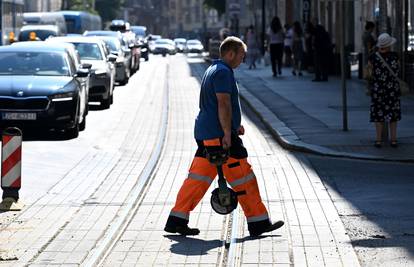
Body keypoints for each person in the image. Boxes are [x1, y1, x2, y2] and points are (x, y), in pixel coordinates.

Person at [164, 36, 284, 236]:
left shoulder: (213, 69)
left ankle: (176, 219)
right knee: (244, 178)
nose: (243, 60)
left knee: (197, 179)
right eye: (241, 55)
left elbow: (216, 106)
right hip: (219, 136)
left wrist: (235, 126)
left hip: (208, 133)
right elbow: (223, 103)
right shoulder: (223, 73)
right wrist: (228, 133)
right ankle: (258, 222)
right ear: (231, 53)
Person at [368, 33, 401, 148]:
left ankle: (378, 140)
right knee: (393, 116)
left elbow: (369, 74)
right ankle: (393, 140)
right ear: (389, 45)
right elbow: (398, 70)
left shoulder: (373, 57)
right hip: (392, 90)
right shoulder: (395, 56)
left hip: (378, 90)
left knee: (378, 115)